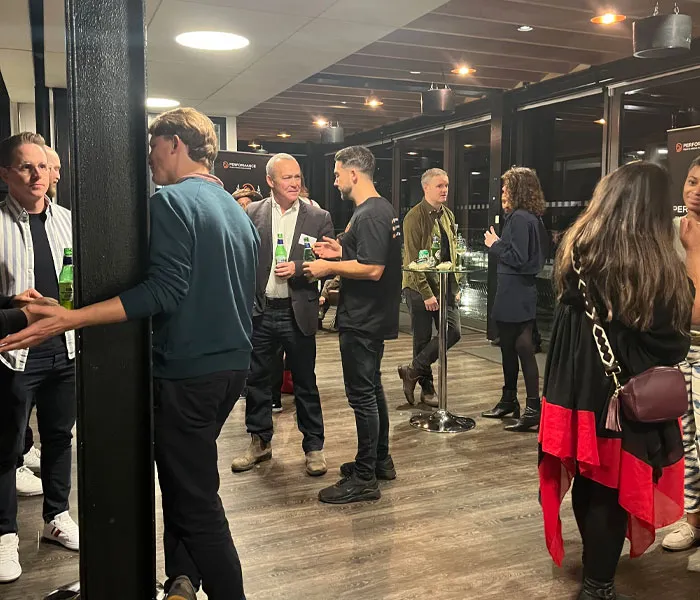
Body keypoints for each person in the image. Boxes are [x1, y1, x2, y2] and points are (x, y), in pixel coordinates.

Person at [2, 108, 260, 600]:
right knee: (189, 483)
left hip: (188, 373)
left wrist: (72, 317)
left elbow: (163, 291)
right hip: (231, 368)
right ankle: (181, 583)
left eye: (152, 145)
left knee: (196, 502)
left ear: (174, 144)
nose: (149, 156)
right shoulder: (235, 210)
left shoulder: (170, 203)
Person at [538, 162, 692, 600]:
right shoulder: (658, 272)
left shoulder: (578, 257)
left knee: (590, 482)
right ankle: (598, 585)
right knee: (612, 490)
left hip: (575, 394)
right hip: (626, 402)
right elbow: (673, 346)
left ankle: (595, 570)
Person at [305, 145, 401, 504]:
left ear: (353, 174)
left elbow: (373, 269)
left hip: (364, 319)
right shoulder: (376, 211)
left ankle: (364, 478)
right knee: (372, 390)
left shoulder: (372, 213)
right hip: (369, 318)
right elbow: (367, 256)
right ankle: (379, 461)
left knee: (362, 396)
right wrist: (340, 252)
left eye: (337, 173)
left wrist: (329, 267)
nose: (334, 180)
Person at [0, 132, 77, 583]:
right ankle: (5, 534)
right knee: (6, 448)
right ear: (6, 173)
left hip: (62, 350)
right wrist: (11, 303)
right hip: (14, 354)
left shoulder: (68, 221)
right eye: (26, 167)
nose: (37, 175)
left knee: (60, 437)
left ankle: (56, 516)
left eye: (43, 167)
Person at [231, 153, 332, 476]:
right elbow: (241, 258)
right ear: (270, 182)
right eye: (287, 178)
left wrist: (300, 268)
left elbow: (327, 267)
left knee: (305, 382)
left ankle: (314, 447)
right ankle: (259, 443)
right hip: (261, 312)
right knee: (258, 380)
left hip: (297, 311)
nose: (294, 183)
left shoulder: (319, 217)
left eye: (298, 177)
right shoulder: (251, 212)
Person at [481, 167, 545, 432]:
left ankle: (532, 408)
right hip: (519, 291)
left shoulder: (519, 219)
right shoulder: (532, 218)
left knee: (521, 348)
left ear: (518, 189)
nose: (503, 192)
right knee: (509, 346)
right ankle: (510, 400)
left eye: (507, 187)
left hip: (514, 292)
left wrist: (494, 244)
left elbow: (518, 258)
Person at [397, 168, 461, 408]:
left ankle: (412, 370)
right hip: (418, 287)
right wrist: (427, 293)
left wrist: (456, 285)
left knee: (453, 331)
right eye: (439, 186)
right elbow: (413, 260)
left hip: (445, 286)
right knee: (422, 340)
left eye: (446, 185)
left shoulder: (448, 215)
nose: (444, 190)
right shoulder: (414, 217)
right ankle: (427, 389)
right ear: (426, 188)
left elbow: (452, 254)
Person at [662, 155, 700, 552]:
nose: (696, 191)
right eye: (691, 182)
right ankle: (693, 520)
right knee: (686, 439)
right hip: (678, 349)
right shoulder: (671, 230)